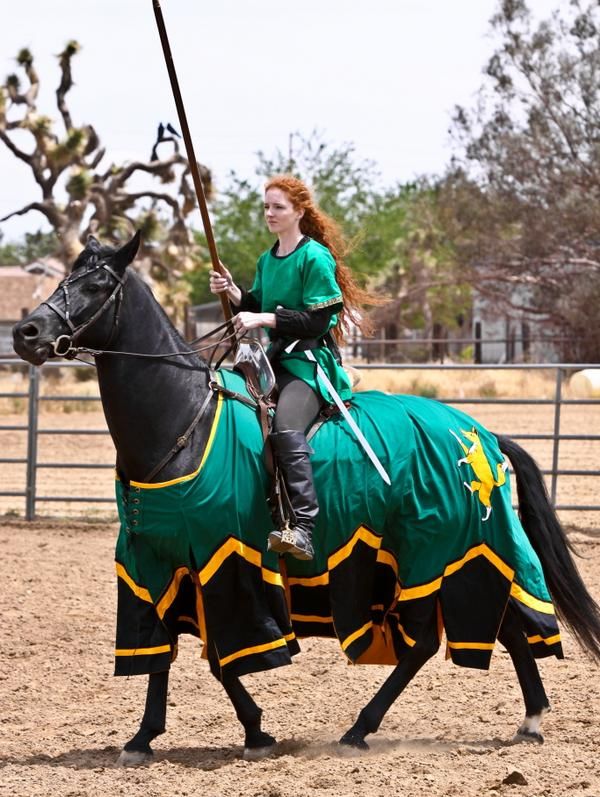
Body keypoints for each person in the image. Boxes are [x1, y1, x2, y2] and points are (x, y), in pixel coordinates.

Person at [209, 174, 377, 561]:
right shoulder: (266, 260)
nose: (269, 213)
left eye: (278, 207)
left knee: (285, 428)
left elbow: (318, 321)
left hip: (307, 365)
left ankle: (302, 527)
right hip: (271, 363)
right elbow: (256, 304)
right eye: (266, 206)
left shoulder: (314, 256)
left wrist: (264, 319)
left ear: (299, 211)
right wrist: (234, 294)